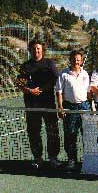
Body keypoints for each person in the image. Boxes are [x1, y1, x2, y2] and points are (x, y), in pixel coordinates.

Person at [16, 39, 61, 170]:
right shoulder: (25, 66)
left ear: (42, 50)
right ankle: (38, 158)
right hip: (31, 105)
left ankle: (53, 158)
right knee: (33, 132)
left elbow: (55, 79)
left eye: (38, 49)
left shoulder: (49, 63)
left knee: (52, 131)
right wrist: (30, 90)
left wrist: (41, 89)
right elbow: (20, 83)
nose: (36, 51)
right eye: (34, 49)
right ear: (30, 50)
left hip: (48, 104)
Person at [56, 50, 90, 170]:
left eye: (78, 59)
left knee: (86, 134)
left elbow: (88, 92)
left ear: (81, 61)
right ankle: (72, 159)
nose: (76, 61)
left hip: (84, 106)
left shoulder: (85, 74)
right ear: (70, 60)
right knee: (70, 134)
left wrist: (91, 107)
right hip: (69, 107)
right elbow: (59, 92)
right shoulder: (63, 74)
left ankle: (88, 159)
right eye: (74, 59)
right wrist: (60, 108)